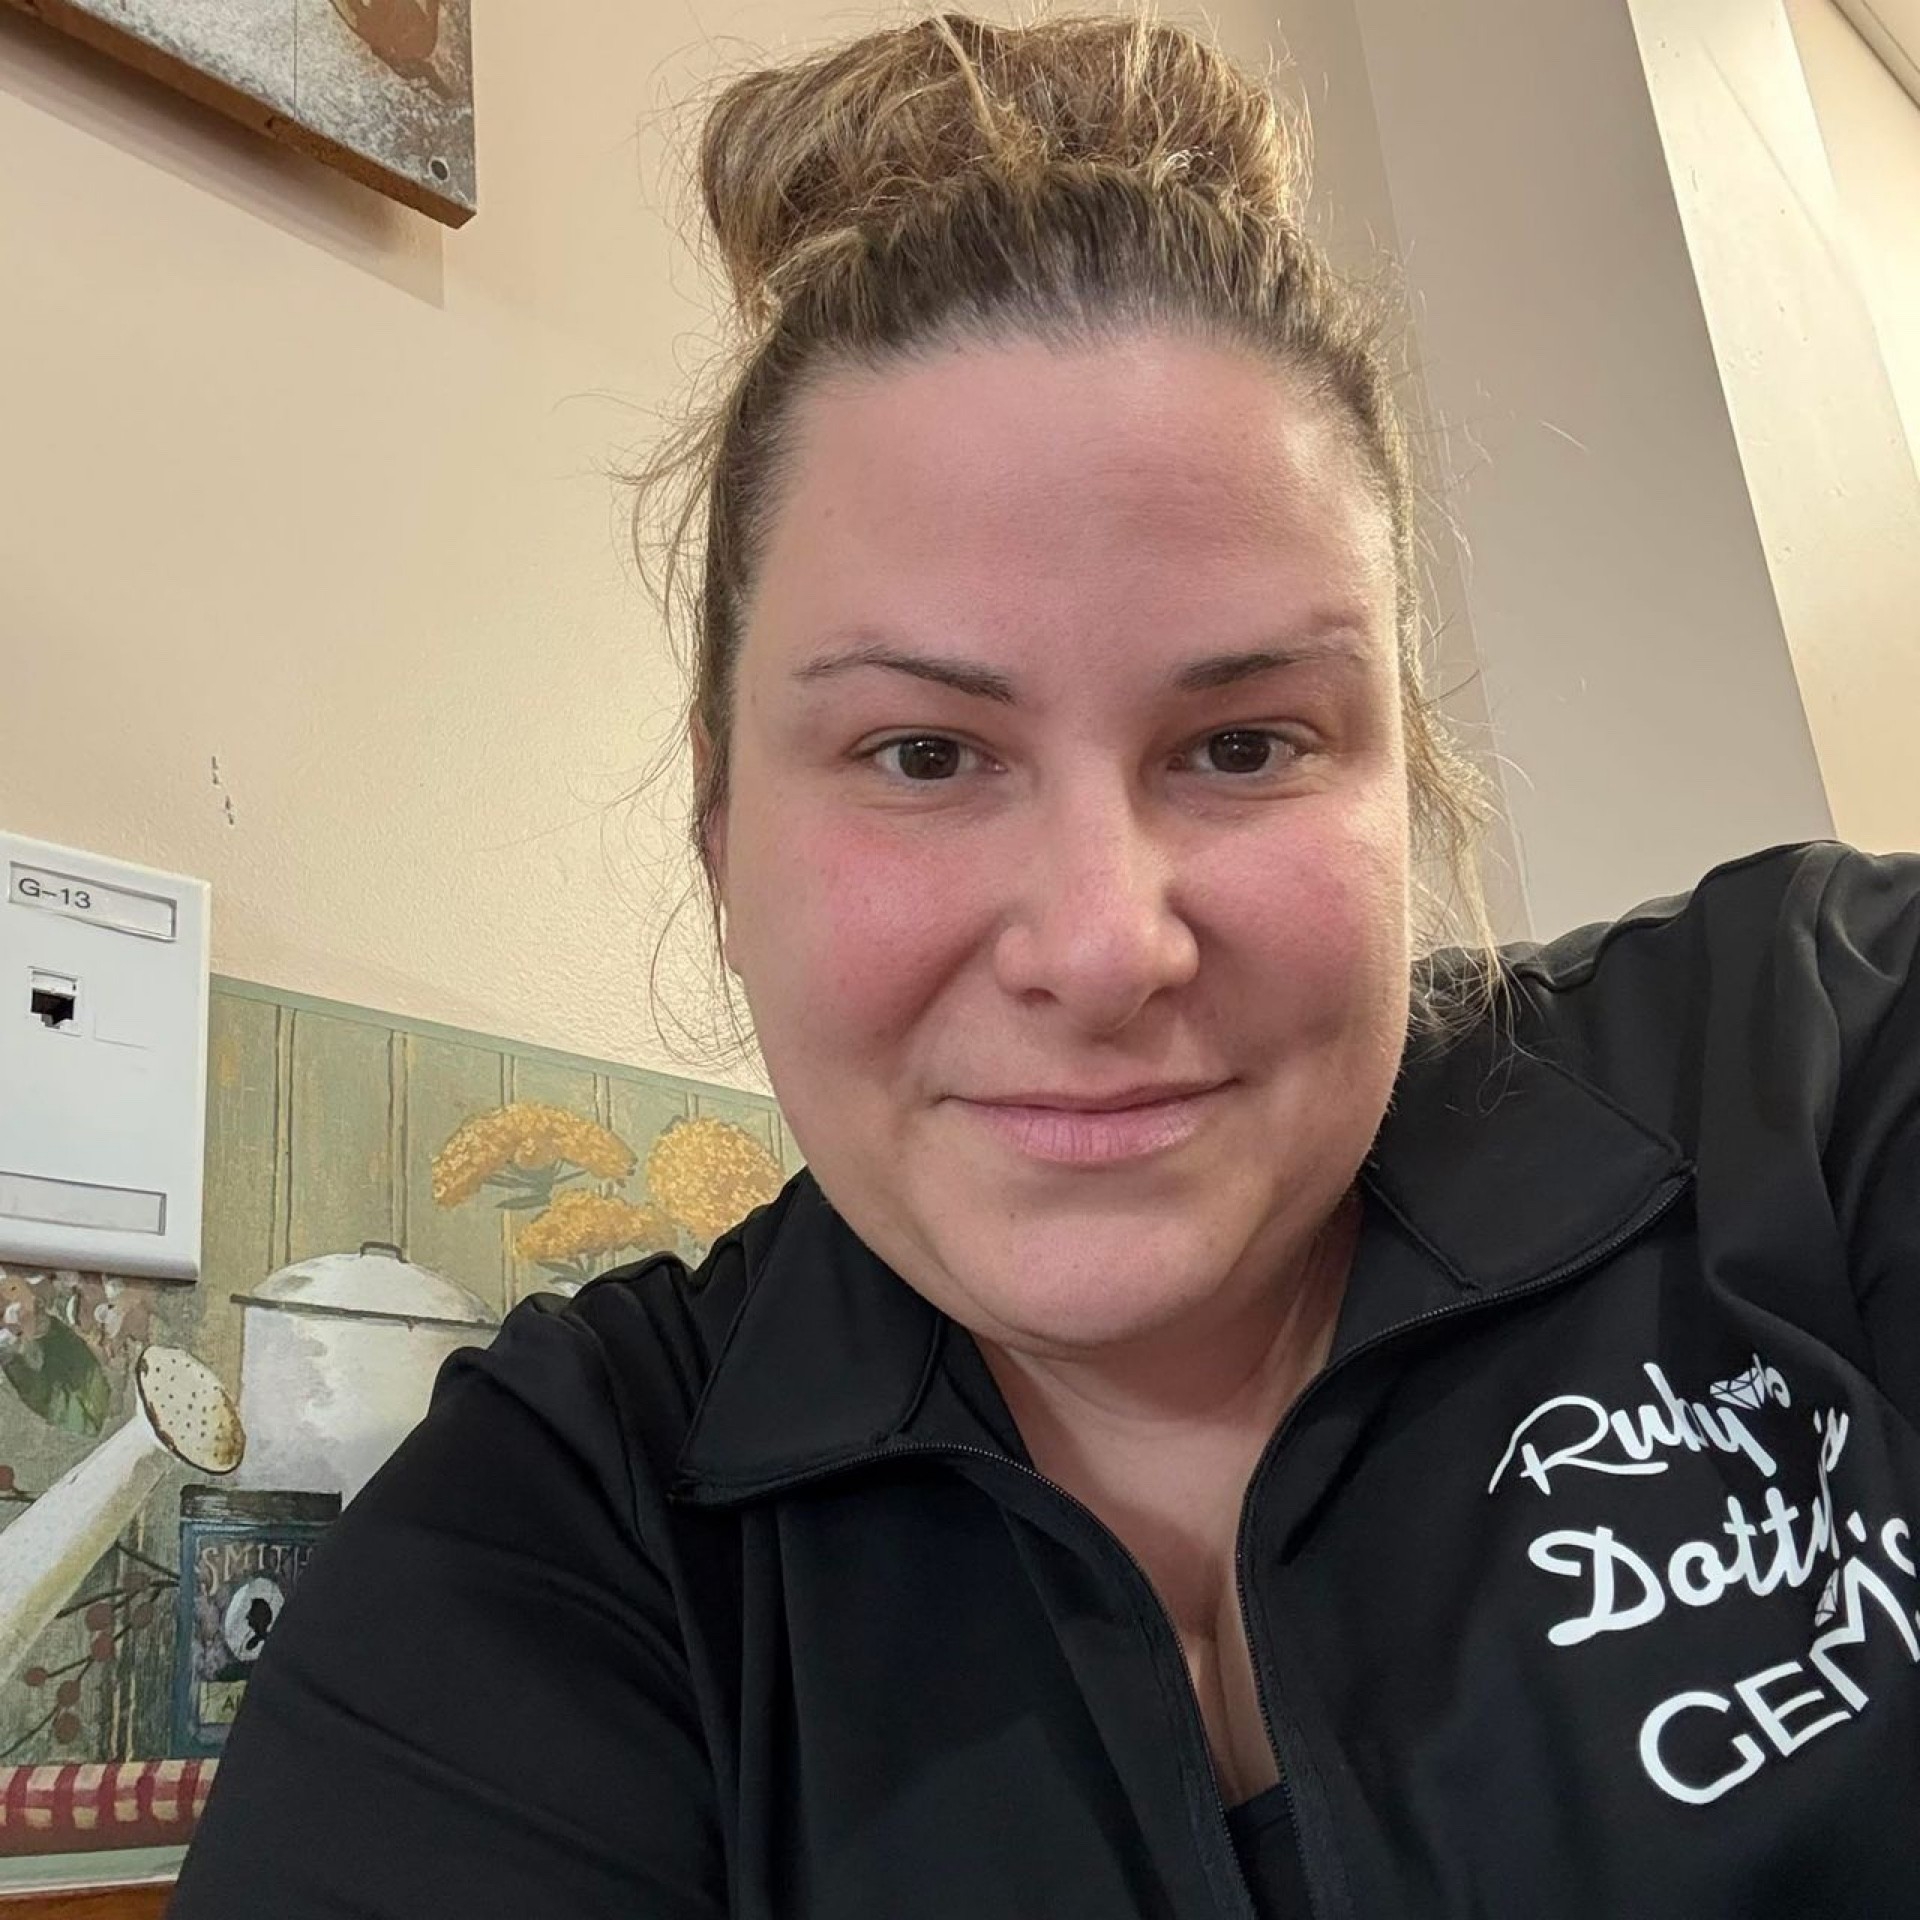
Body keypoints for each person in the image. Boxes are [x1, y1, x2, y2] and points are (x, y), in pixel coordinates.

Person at [168, 11, 1920, 1918]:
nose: (1102, 948)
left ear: (1406, 779)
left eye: (1242, 743)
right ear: (723, 836)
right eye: (925, 755)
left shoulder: (1818, 1064)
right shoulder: (555, 1545)